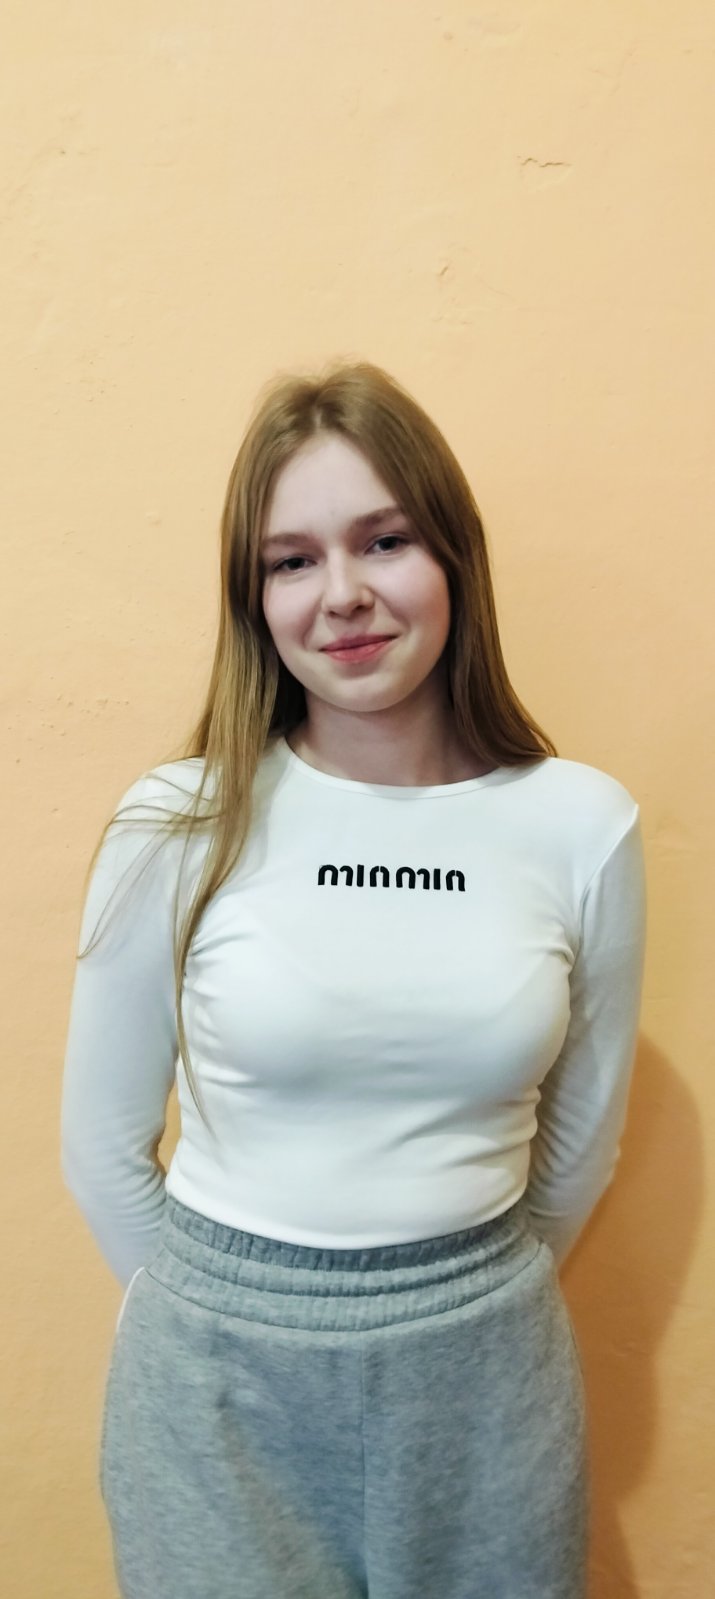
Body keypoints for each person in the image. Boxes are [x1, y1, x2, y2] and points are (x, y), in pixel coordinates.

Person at [60, 359, 647, 1599]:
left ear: (453, 556)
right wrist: (229, 1315)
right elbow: (102, 1149)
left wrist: (458, 1305)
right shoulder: (177, 820)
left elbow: (578, 1144)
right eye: (291, 560)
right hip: (216, 1393)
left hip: (490, 1378)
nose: (343, 596)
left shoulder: (580, 826)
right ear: (254, 596)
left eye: (384, 541)